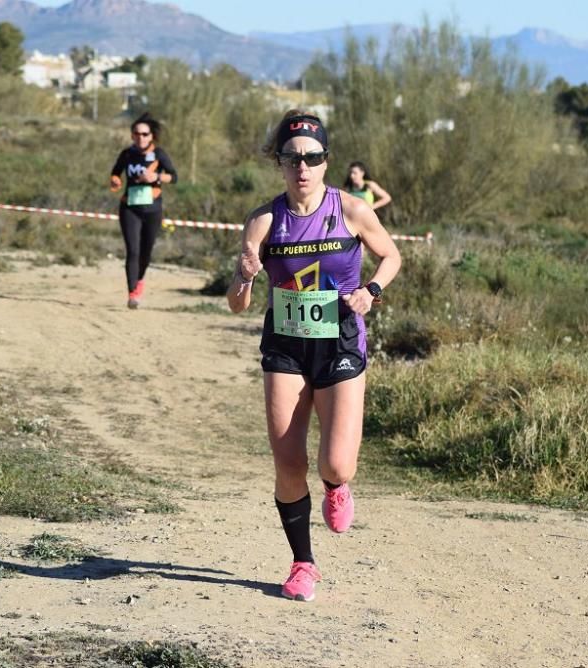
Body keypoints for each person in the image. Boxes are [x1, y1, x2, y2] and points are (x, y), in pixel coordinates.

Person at [227, 111, 401, 602]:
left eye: (313, 157)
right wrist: (244, 275)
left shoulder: (351, 209)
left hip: (341, 341)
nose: (302, 167)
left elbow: (392, 256)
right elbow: (237, 303)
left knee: (337, 464)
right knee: (286, 463)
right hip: (285, 345)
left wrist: (371, 291)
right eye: (292, 157)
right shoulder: (263, 220)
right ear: (279, 162)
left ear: (326, 163)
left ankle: (336, 485)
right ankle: (303, 563)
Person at [110, 112, 178, 308]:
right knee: (133, 250)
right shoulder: (127, 154)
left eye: (145, 134)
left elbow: (174, 177)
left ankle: (140, 280)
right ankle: (132, 294)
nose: (141, 137)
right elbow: (115, 173)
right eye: (137, 134)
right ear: (132, 135)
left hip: (152, 210)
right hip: (129, 207)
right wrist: (115, 180)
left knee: (145, 253)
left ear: (152, 136)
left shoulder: (159, 155)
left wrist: (156, 177)